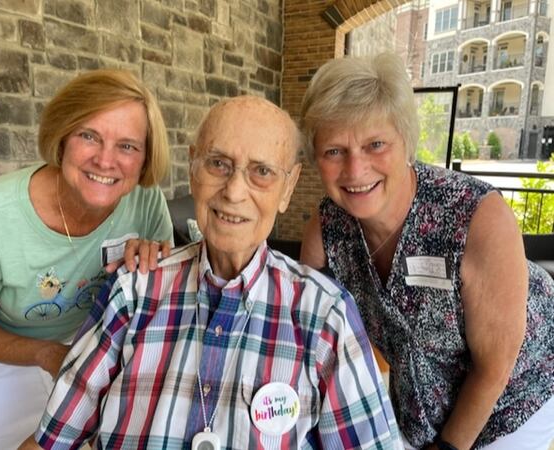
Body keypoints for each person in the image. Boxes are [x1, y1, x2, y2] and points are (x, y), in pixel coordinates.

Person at [21, 95, 403, 449]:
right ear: (193, 168)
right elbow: (52, 439)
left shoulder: (325, 315)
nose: (234, 192)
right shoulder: (133, 291)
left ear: (288, 188)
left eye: (262, 172)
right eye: (218, 164)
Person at [299, 53, 554, 450]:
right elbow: (301, 327)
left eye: (375, 144)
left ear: (406, 142)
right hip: (416, 409)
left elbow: (494, 368)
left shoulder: (476, 218)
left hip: (514, 402)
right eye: (334, 151)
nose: (355, 169)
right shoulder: (328, 230)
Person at [0, 69, 174, 450]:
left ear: (145, 158)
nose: (106, 161)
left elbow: (163, 301)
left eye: (127, 146)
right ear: (61, 137)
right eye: (88, 135)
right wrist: (47, 354)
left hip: (87, 348)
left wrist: (154, 265)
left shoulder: (145, 201)